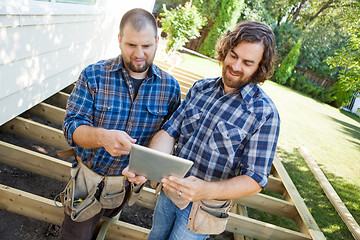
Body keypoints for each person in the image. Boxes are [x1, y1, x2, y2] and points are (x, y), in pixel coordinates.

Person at [123, 20, 280, 239]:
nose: (235, 66)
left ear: (260, 67)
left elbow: (255, 180)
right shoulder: (201, 88)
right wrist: (147, 165)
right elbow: (170, 131)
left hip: (204, 208)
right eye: (233, 56)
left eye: (247, 62)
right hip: (169, 192)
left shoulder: (264, 113)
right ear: (225, 51)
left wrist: (205, 190)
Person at [59, 8, 181, 240]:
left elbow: (169, 138)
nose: (139, 54)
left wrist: (151, 170)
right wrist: (102, 137)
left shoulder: (170, 88)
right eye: (131, 45)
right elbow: (71, 127)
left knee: (104, 226)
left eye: (146, 46)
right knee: (74, 234)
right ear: (119, 40)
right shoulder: (94, 75)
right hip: (87, 183)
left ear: (157, 41)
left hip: (127, 188)